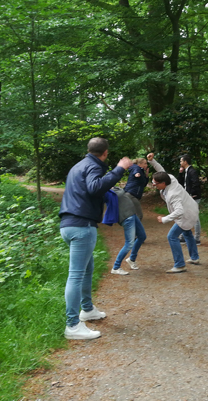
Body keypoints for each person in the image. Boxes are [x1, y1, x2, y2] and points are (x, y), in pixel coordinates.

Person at [59, 137, 131, 340]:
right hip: (81, 226)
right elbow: (94, 187)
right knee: (76, 275)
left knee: (87, 269)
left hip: (69, 224)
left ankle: (88, 309)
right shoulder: (93, 166)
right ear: (105, 153)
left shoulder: (78, 166)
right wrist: (119, 169)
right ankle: (72, 325)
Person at [149, 154, 200, 273]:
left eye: (155, 183)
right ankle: (195, 257)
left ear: (163, 183)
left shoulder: (173, 194)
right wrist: (152, 161)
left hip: (186, 214)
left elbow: (179, 211)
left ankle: (180, 265)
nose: (154, 185)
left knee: (172, 236)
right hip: (190, 208)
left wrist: (165, 219)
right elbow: (161, 171)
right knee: (187, 233)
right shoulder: (169, 178)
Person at [103, 188, 146, 275]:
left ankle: (131, 259)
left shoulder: (112, 189)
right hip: (126, 217)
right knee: (129, 243)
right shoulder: (107, 192)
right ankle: (116, 267)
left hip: (132, 214)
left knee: (142, 236)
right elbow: (120, 192)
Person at [178, 154, 202, 245]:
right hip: (187, 197)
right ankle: (183, 236)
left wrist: (192, 194)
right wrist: (180, 173)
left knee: (195, 217)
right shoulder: (186, 171)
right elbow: (181, 183)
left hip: (193, 197)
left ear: (185, 162)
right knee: (184, 215)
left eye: (181, 161)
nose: (180, 163)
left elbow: (196, 183)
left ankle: (197, 238)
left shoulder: (192, 171)